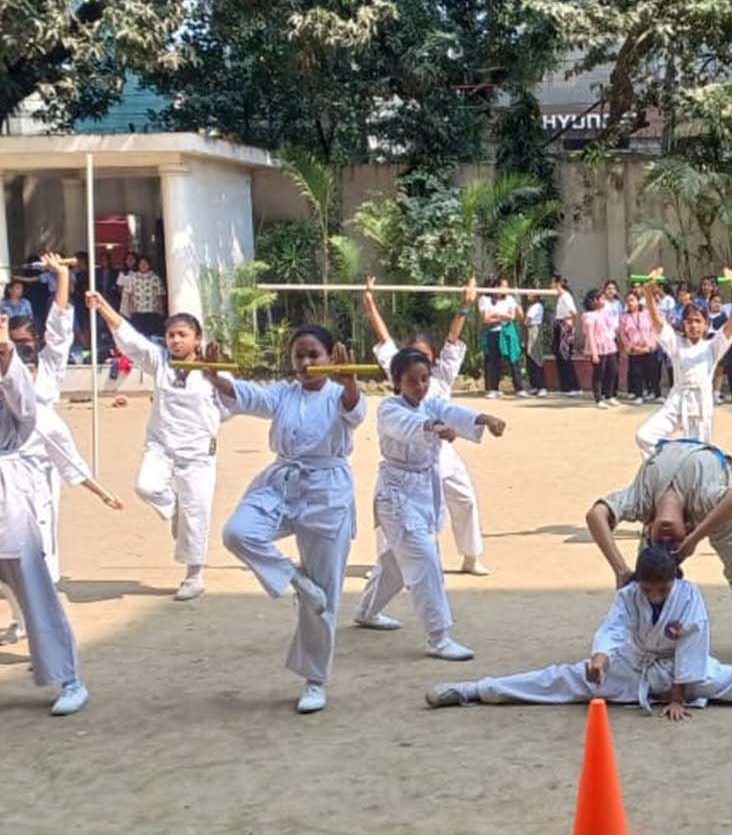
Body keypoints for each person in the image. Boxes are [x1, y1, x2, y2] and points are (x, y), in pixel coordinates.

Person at [427, 544, 732, 717]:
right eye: (649, 588)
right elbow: (613, 628)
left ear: (674, 580)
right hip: (633, 665)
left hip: (682, 671)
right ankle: (473, 690)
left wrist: (677, 697)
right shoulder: (629, 595)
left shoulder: (689, 596)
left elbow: (692, 643)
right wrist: (600, 658)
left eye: (662, 589)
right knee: (558, 679)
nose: (654, 595)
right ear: (639, 581)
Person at [205, 327, 365, 714]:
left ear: (330, 358)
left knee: (325, 593)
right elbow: (246, 395)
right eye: (299, 356)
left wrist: (350, 382)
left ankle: (315, 680)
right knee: (238, 532)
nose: (305, 363)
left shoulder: (339, 393)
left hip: (327, 491)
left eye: (313, 355)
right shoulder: (283, 393)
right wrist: (215, 377)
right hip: (281, 482)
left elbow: (354, 410)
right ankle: (295, 579)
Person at [585, 439, 732, 671]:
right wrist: (620, 569)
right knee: (650, 571)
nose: (666, 535)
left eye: (671, 541)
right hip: (681, 465)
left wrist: (696, 537)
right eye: (671, 541)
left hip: (713, 488)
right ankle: (647, 640)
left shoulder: (670, 499)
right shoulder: (643, 500)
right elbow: (595, 515)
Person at [351, 346, 506, 660]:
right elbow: (409, 426)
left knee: (396, 564)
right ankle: (439, 636)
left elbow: (451, 412)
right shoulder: (388, 408)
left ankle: (367, 611)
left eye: (424, 379)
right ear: (397, 382)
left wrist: (484, 418)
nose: (420, 386)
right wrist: (433, 427)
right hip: (396, 497)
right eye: (412, 380)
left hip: (423, 491)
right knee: (425, 561)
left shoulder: (430, 403)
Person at [87, 285, 226, 601]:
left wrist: (216, 380)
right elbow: (131, 340)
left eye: (182, 335)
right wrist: (102, 306)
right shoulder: (160, 360)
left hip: (198, 452)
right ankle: (173, 509)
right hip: (161, 444)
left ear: (197, 339)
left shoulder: (213, 371)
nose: (175, 340)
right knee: (146, 486)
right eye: (171, 335)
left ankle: (194, 575)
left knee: (197, 513)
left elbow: (233, 403)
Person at [361, 275, 491, 577]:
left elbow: (452, 341)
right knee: (388, 507)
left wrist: (466, 304)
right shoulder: (400, 375)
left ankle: (471, 556)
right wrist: (370, 305)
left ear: (432, 363)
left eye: (425, 361)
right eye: (413, 359)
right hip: (403, 460)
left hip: (442, 455)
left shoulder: (441, 378)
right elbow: (385, 341)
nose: (419, 375)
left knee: (465, 499)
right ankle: (385, 564)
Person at [0, 314, 88, 715]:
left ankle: (69, 678)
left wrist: (6, 350)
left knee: (34, 590)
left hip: (9, 502)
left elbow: (23, 406)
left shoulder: (18, 390)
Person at [16, 256, 120, 589]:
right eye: (11, 344)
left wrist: (62, 276)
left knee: (41, 527)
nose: (19, 351)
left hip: (39, 468)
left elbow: (59, 327)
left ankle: (40, 589)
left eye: (25, 344)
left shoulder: (48, 368)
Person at [636, 268, 732, 458]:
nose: (693, 325)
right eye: (689, 321)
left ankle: (689, 466)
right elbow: (658, 324)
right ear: (683, 324)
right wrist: (649, 294)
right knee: (644, 436)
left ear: (706, 324)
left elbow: (730, 327)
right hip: (677, 399)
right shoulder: (676, 343)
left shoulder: (712, 347)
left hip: (701, 403)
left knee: (698, 453)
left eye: (697, 321)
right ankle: (669, 461)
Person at [477, 277, 527, 399]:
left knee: (513, 360)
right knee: (494, 361)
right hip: (493, 333)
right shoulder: (486, 299)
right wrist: (503, 316)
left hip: (508, 332)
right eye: (503, 286)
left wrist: (496, 315)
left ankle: (519, 388)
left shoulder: (510, 299)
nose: (506, 289)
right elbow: (486, 319)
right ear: (496, 287)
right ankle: (493, 389)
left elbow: (511, 316)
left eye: (507, 286)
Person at [582, 288, 620, 405]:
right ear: (595, 300)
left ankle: (609, 395)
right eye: (602, 298)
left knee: (612, 370)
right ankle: (598, 398)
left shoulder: (605, 313)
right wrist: (594, 353)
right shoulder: (589, 316)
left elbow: (612, 327)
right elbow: (590, 336)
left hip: (609, 346)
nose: (604, 301)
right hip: (598, 348)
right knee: (599, 373)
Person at [620, 290, 659, 404]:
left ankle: (656, 394)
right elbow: (623, 334)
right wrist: (631, 347)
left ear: (638, 301)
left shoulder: (646, 314)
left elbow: (653, 329)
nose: (630, 303)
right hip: (634, 350)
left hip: (648, 348)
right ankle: (639, 395)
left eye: (632, 300)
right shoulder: (624, 317)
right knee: (637, 373)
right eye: (627, 301)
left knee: (653, 372)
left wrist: (651, 345)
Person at [551, 275, 580, 396]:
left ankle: (570, 387)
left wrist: (569, 324)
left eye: (552, 283)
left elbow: (574, 312)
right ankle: (569, 387)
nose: (551, 286)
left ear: (557, 284)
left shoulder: (566, 296)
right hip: (560, 326)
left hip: (564, 328)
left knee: (564, 356)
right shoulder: (561, 297)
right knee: (560, 356)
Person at [125, 255, 167, 338]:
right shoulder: (133, 277)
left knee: (151, 334)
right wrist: (130, 308)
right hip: (137, 311)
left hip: (152, 311)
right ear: (138, 265)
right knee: (138, 335)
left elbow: (159, 295)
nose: (143, 266)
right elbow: (129, 294)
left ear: (149, 265)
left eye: (145, 264)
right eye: (141, 264)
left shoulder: (155, 278)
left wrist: (160, 309)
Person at [523, 294, 548, 397]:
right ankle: (535, 385)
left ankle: (542, 386)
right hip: (530, 330)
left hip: (534, 330)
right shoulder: (531, 306)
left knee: (536, 357)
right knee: (530, 358)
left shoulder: (537, 306)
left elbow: (527, 321)